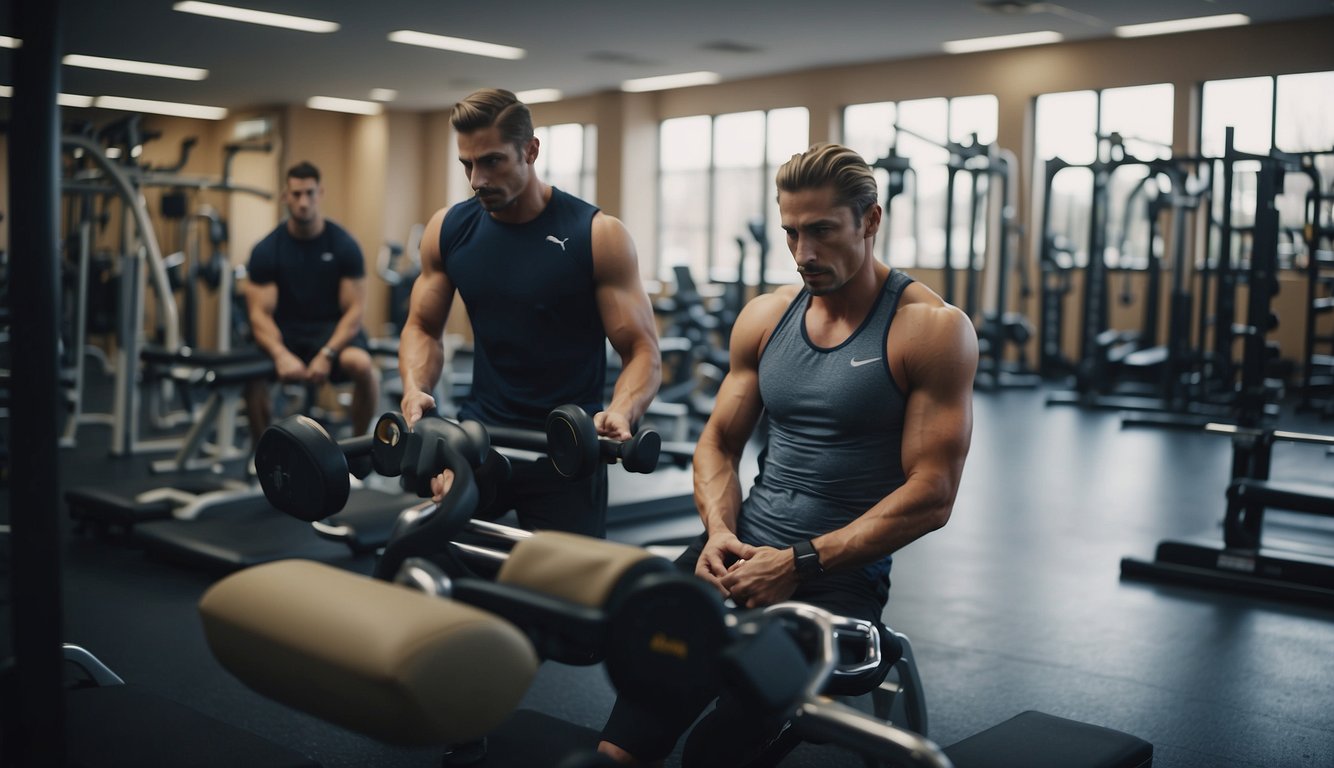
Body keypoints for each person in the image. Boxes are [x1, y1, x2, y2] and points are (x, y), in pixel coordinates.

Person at [597, 142, 978, 767]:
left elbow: (932, 492)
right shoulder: (766, 317)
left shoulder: (930, 329)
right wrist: (718, 532)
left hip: (833, 584)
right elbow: (718, 442)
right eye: (792, 233)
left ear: (871, 220)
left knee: (713, 756)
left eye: (823, 232)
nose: (804, 253)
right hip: (734, 554)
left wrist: (798, 563)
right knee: (621, 746)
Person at [398, 88, 661, 538]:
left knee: (562, 598)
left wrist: (623, 410)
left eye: (492, 161)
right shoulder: (449, 230)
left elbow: (642, 351)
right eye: (467, 164)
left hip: (568, 448)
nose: (477, 179)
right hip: (479, 441)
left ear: (531, 150)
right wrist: (414, 387)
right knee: (450, 568)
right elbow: (422, 327)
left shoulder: (596, 235)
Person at [244, 161, 380, 438]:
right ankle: (262, 451)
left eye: (309, 193)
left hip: (331, 332)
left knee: (363, 366)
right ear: (285, 196)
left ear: (320, 193)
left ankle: (359, 447)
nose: (303, 202)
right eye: (296, 194)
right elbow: (259, 314)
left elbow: (354, 311)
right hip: (285, 332)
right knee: (252, 373)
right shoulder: (267, 249)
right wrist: (280, 354)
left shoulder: (344, 245)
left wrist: (327, 353)